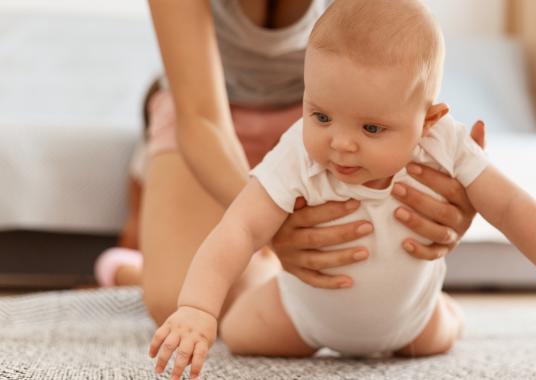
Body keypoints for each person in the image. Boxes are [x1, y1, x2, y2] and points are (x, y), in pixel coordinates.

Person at [148, 1, 536, 379]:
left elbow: (511, 205)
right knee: (237, 330)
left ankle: (443, 312)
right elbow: (238, 228)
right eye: (321, 120)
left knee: (441, 333)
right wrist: (198, 310)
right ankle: (247, 289)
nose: (340, 144)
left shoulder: (442, 141)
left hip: (411, 322)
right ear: (307, 105)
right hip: (300, 315)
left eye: (372, 129)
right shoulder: (301, 149)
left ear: (429, 121)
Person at [94, 0, 486, 325]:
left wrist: (456, 192)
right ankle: (136, 269)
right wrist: (265, 224)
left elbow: (402, 85)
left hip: (324, 116)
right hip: (207, 115)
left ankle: (252, 277)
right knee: (176, 301)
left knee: (354, 270)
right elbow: (201, 117)